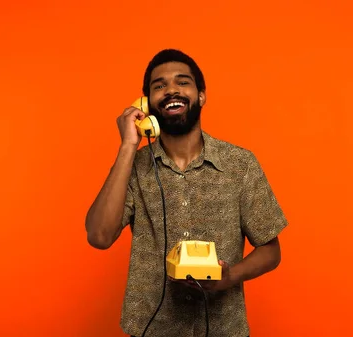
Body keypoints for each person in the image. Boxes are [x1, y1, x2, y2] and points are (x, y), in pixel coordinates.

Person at [85, 49, 288, 337]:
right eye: (159, 86)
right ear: (147, 105)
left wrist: (230, 277)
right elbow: (99, 236)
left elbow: (271, 250)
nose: (170, 90)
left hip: (223, 329)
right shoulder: (133, 167)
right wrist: (128, 147)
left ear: (201, 95)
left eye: (182, 82)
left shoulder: (240, 164)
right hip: (150, 331)